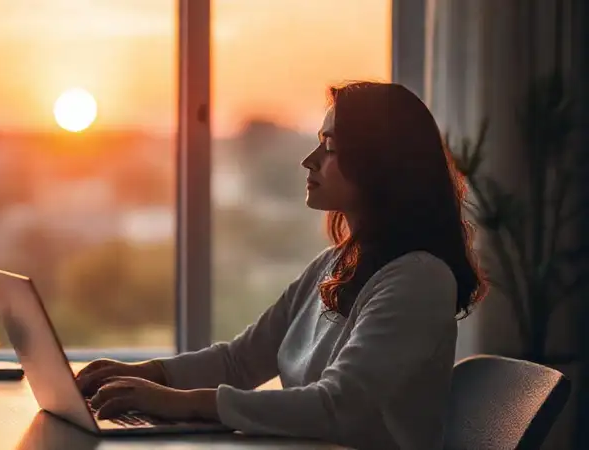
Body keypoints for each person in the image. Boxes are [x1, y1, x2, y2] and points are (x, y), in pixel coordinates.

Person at [75, 81, 486, 450]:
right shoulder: (334, 264)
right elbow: (239, 361)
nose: (309, 161)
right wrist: (149, 373)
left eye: (329, 147)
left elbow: (335, 406)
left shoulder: (419, 279)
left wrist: (178, 402)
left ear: (378, 164)